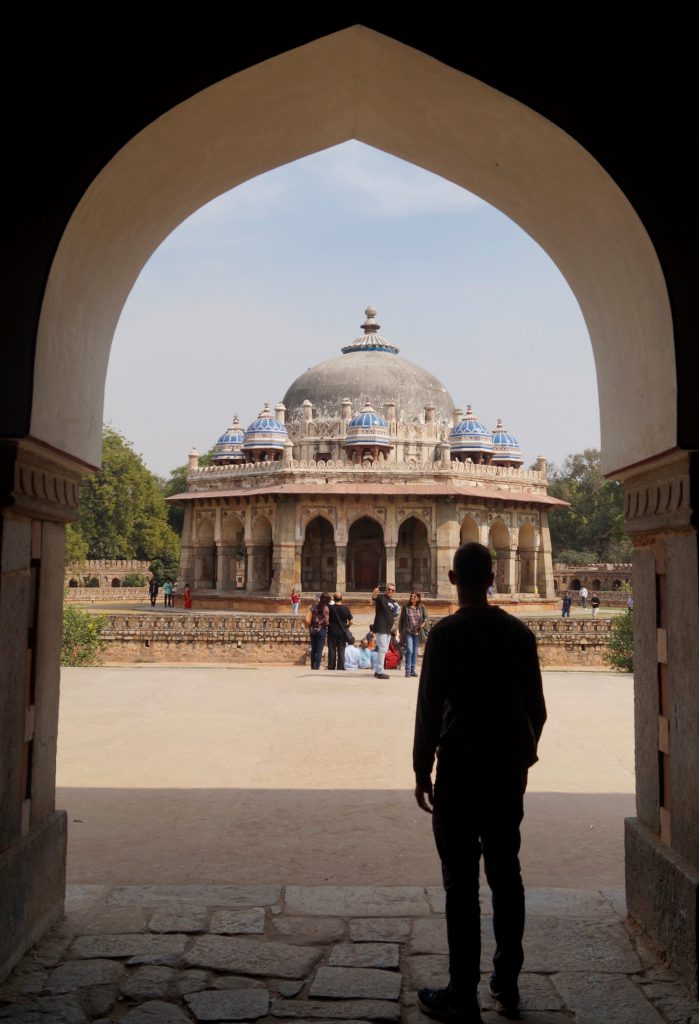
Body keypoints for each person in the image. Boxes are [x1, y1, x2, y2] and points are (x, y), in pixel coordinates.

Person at [413, 542, 546, 1023]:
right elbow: (538, 709)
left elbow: (429, 710)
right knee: (507, 876)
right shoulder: (519, 633)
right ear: (493, 577)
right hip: (505, 773)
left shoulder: (446, 634)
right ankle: (506, 985)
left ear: (451, 578)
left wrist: (419, 768)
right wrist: (522, 757)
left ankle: (462, 994)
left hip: (460, 771)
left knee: (461, 886)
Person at [370, 583, 398, 679]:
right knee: (382, 649)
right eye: (389, 589)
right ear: (386, 589)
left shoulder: (393, 602)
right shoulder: (381, 598)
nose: (390, 591)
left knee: (384, 649)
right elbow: (373, 599)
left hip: (388, 629)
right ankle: (380, 672)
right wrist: (374, 592)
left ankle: (378, 671)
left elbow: (394, 615)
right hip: (380, 627)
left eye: (392, 590)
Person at [399, 591, 427, 677]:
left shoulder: (421, 607)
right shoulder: (406, 607)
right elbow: (401, 620)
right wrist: (400, 632)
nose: (412, 598)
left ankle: (412, 670)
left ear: (418, 598)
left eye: (414, 597)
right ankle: (407, 671)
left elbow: (426, 618)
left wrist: (422, 625)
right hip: (408, 632)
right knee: (409, 650)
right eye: (411, 596)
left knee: (415, 652)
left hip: (418, 633)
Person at [328, 593, 353, 670]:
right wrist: (346, 627)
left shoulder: (330, 608)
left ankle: (331, 667)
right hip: (342, 632)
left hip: (332, 631)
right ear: (342, 598)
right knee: (341, 650)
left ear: (333, 599)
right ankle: (340, 667)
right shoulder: (346, 608)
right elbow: (351, 621)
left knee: (332, 650)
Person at [308, 591, 330, 670]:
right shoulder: (326, 608)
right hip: (321, 630)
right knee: (319, 650)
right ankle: (317, 667)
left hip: (313, 630)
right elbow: (327, 621)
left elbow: (309, 618)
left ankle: (312, 666)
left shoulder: (314, 607)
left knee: (313, 649)